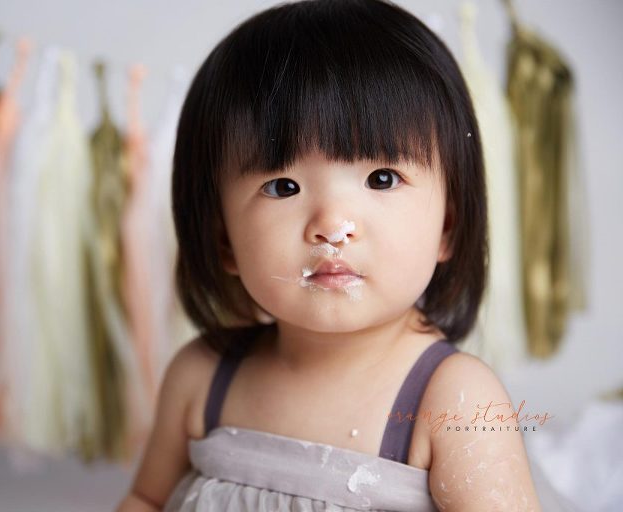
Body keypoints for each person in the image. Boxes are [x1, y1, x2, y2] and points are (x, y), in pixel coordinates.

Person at [117, 0, 548, 510]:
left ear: (447, 226)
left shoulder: (454, 399)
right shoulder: (202, 377)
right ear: (223, 239)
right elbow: (147, 498)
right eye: (283, 186)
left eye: (381, 178)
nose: (332, 226)